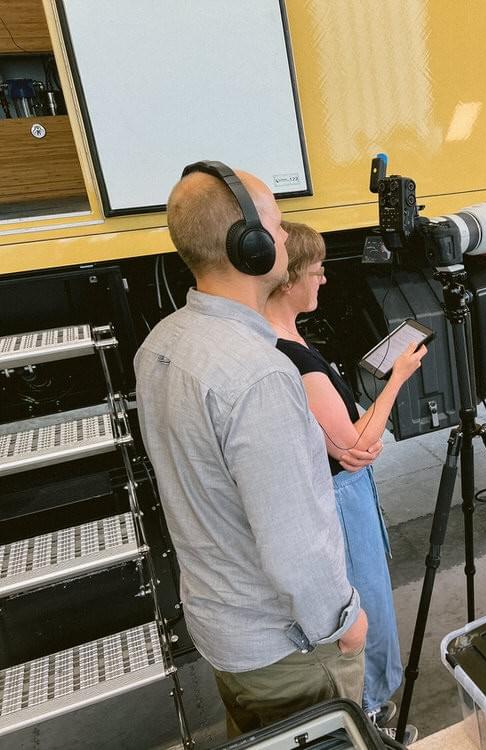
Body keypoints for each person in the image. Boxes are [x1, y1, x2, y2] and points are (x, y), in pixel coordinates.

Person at [134, 163, 370, 738]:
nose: (286, 237)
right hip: (286, 653)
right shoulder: (260, 376)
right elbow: (293, 541)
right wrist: (345, 620)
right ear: (251, 245)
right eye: (278, 225)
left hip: (224, 635)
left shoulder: (160, 343)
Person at [264, 222, 426, 741]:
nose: (325, 280)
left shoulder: (276, 336)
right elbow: (355, 449)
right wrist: (398, 377)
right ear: (288, 280)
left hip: (332, 490)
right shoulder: (294, 357)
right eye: (316, 270)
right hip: (338, 497)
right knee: (368, 599)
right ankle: (373, 716)